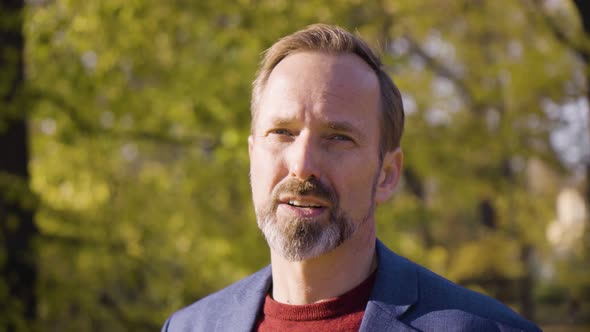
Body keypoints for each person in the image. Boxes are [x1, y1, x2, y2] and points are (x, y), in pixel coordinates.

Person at [162, 24, 541, 332]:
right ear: (251, 156)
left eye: (338, 137)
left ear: (387, 175)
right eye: (282, 132)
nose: (302, 163)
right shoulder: (189, 327)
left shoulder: (486, 329)